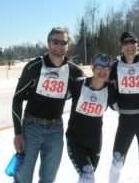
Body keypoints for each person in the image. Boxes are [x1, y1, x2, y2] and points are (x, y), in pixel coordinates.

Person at [11, 27, 84, 183]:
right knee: (23, 178)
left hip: (55, 129)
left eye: (63, 42)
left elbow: (89, 88)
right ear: (48, 43)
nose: (59, 45)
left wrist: (110, 82)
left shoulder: (74, 71)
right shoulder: (34, 67)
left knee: (48, 178)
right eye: (55, 41)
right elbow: (17, 99)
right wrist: (18, 133)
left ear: (68, 45)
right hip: (31, 127)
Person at [108, 31, 139, 183]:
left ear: (138, 45)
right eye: (126, 43)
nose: (130, 46)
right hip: (125, 121)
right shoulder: (115, 66)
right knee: (117, 163)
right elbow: (107, 88)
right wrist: (112, 102)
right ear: (121, 47)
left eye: (133, 42)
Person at [65, 54, 117, 183]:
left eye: (106, 67)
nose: (103, 71)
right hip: (75, 140)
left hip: (95, 142)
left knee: (86, 178)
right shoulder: (78, 84)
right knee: (89, 177)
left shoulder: (110, 90)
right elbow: (59, 97)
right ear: (93, 68)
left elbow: (118, 107)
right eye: (99, 67)